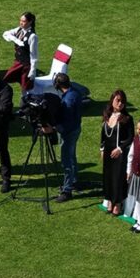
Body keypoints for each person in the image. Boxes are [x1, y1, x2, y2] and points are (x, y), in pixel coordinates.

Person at [47, 73, 82, 202]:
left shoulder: (67, 100)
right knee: (72, 156)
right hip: (75, 129)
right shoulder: (75, 92)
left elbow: (66, 123)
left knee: (66, 160)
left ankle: (67, 190)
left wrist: (54, 128)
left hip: (69, 132)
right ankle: (74, 181)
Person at [100, 90, 133, 216]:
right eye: (117, 100)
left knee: (118, 177)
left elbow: (130, 137)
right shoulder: (107, 115)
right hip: (108, 151)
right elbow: (103, 135)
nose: (120, 103)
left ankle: (118, 203)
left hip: (119, 153)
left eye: (122, 101)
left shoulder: (127, 118)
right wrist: (102, 149)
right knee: (108, 176)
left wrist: (120, 149)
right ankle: (109, 200)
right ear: (112, 100)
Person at [2, 12, 38, 92]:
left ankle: (26, 102)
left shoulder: (32, 36)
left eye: (24, 21)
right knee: (5, 79)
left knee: (26, 88)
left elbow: (34, 55)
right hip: (17, 63)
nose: (21, 23)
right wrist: (15, 40)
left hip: (25, 66)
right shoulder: (19, 30)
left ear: (30, 22)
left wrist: (33, 70)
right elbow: (5, 34)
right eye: (20, 20)